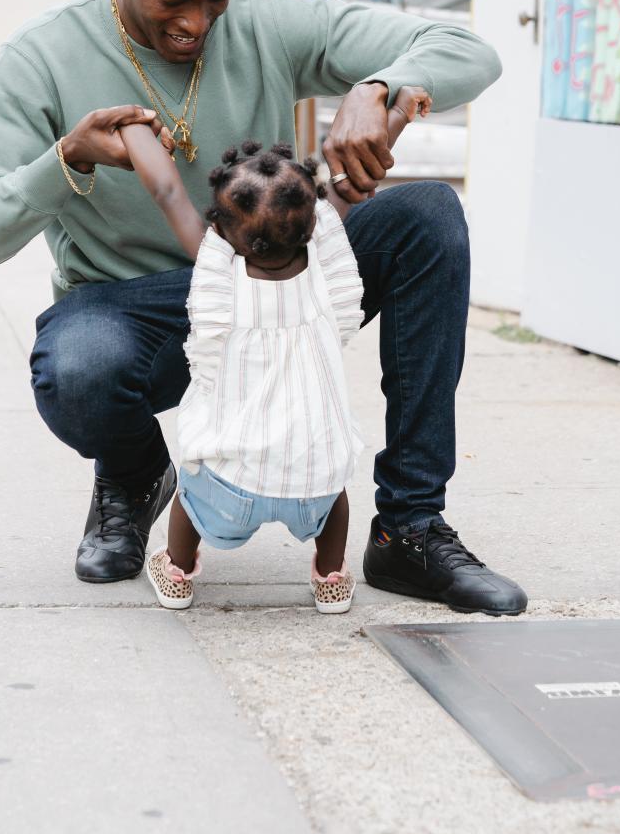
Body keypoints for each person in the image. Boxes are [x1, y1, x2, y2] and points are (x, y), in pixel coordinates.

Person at [0, 0, 527, 616]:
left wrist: (386, 85)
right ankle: (138, 471)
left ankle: (409, 528)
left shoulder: (262, 19)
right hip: (130, 313)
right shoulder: (42, 56)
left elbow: (470, 49)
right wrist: (66, 157)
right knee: (75, 370)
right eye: (171, 1)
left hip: (271, 280)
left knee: (430, 218)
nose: (197, 23)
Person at [121, 90, 429, 613]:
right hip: (312, 482)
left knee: (191, 492)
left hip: (230, 484)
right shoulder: (329, 299)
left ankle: (175, 570)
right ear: (312, 225)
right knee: (336, 498)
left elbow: (169, 192)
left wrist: (133, 131)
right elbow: (353, 185)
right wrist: (397, 114)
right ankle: (331, 577)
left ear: (225, 228)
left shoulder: (220, 279)